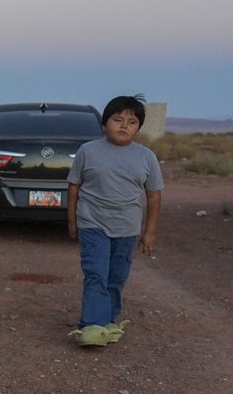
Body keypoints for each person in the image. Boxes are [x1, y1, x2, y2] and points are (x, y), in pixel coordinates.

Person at [66, 95, 163, 345]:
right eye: (117, 119)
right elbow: (74, 187)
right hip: (92, 223)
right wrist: (72, 221)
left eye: (131, 122)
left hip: (127, 228)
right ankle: (91, 327)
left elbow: (153, 196)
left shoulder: (146, 157)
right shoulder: (88, 151)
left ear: (138, 128)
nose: (123, 125)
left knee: (116, 276)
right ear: (104, 124)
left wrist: (149, 232)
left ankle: (107, 320)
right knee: (96, 272)